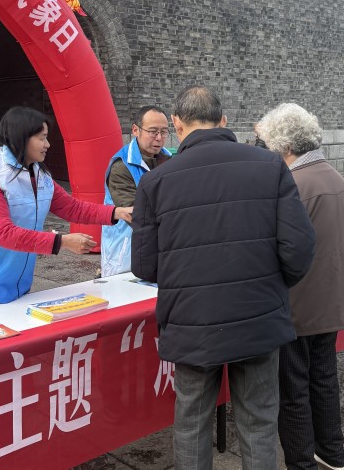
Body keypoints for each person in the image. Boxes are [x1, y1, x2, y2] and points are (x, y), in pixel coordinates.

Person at [131, 86, 316, 470]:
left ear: (177, 124)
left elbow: (145, 266)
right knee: (259, 422)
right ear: (223, 121)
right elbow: (298, 248)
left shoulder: (155, 181)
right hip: (259, 317)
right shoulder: (270, 166)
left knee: (191, 422)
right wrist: (271, 286)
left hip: (192, 323)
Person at [0, 106, 132, 308]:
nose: (48, 144)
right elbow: (4, 234)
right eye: (42, 138)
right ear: (21, 137)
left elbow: (72, 208)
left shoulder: (38, 173)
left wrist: (118, 212)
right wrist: (62, 241)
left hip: (15, 282)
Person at [257, 103, 344, 470]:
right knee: (324, 378)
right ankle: (332, 451)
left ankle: (301, 461)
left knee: (293, 388)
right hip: (331, 299)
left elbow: (280, 248)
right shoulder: (334, 176)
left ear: (284, 146)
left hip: (299, 304)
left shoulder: (294, 184)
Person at [101, 105, 172, 276]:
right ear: (135, 130)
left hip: (160, 248)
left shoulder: (169, 160)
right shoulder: (121, 166)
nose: (159, 138)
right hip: (124, 252)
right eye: (153, 131)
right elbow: (136, 215)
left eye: (164, 132)